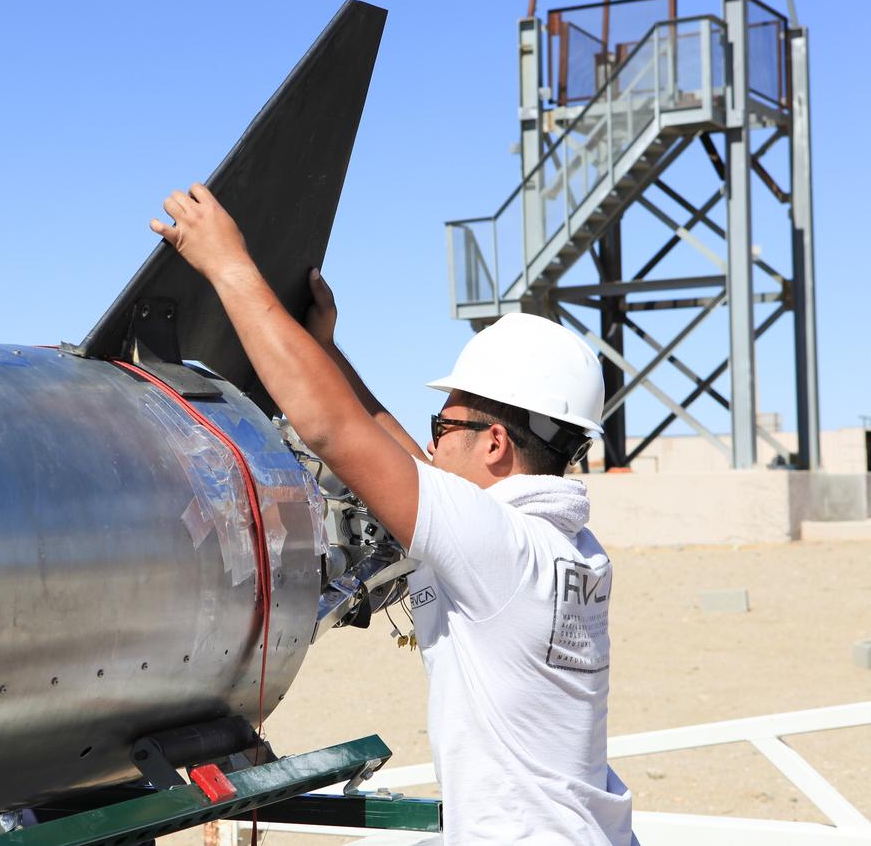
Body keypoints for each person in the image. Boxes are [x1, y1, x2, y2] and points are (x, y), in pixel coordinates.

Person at [149, 184, 635, 844]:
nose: (431, 438)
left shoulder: (498, 546)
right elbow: (405, 461)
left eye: (446, 421)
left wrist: (229, 264)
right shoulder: (564, 543)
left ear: (495, 443)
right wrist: (328, 350)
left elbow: (332, 430)